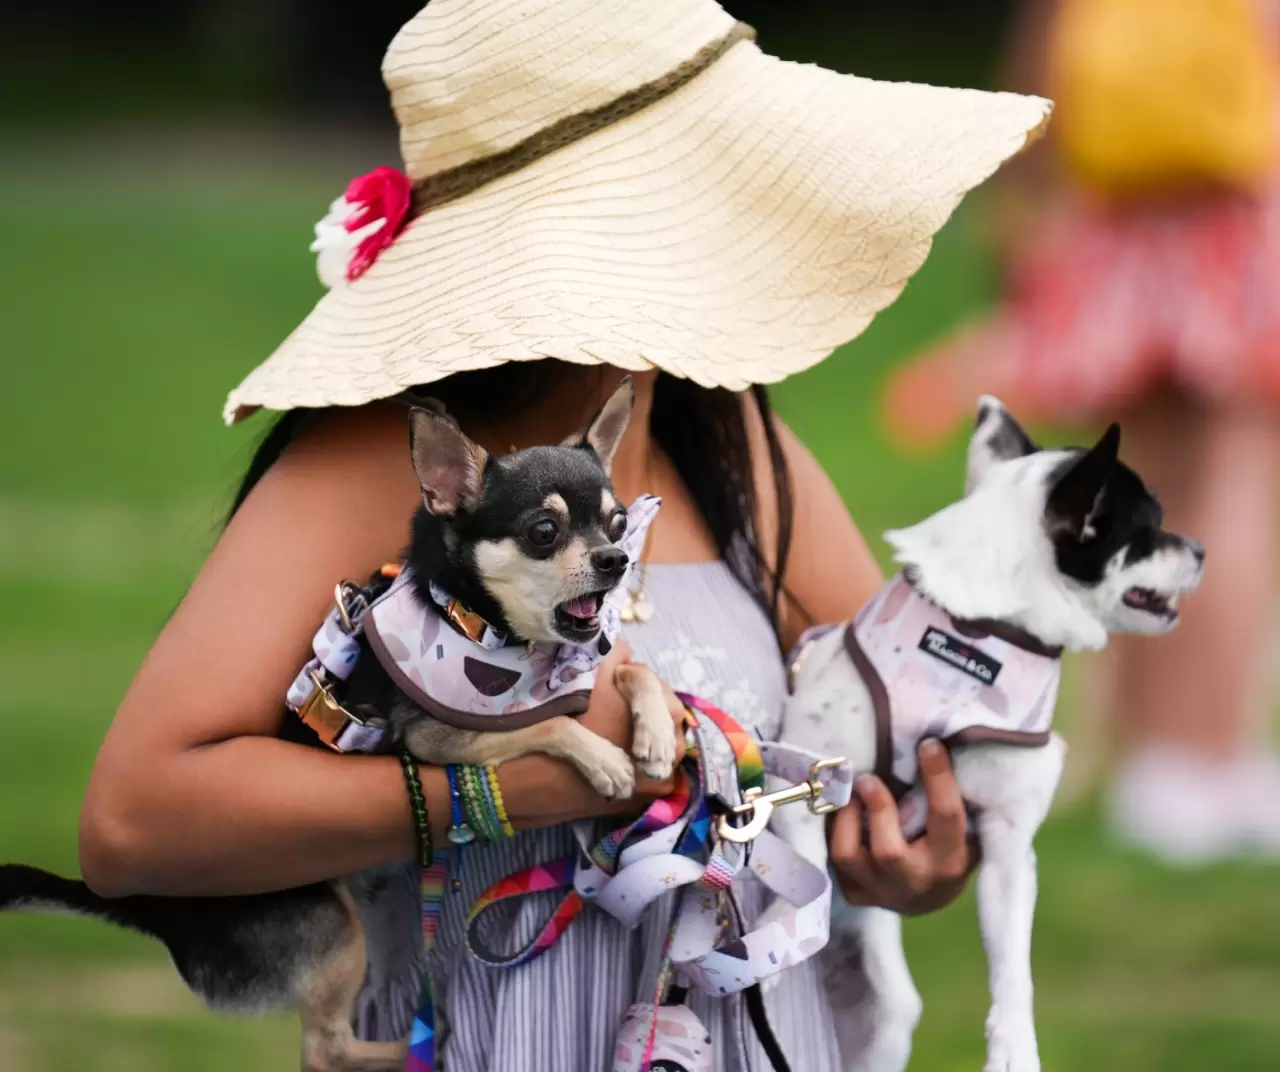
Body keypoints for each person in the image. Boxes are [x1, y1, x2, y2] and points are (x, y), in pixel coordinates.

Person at [75, 0, 1049, 1067]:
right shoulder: (382, 467)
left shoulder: (726, 439)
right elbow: (135, 823)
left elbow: (888, 728)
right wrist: (498, 786)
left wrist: (906, 852)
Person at [886, 0, 1280, 864]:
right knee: (1235, 475)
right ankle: (1213, 757)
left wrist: (1024, 208)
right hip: (1237, 210)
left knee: (1145, 479)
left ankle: (1151, 762)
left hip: (1123, 213)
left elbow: (1042, 69)